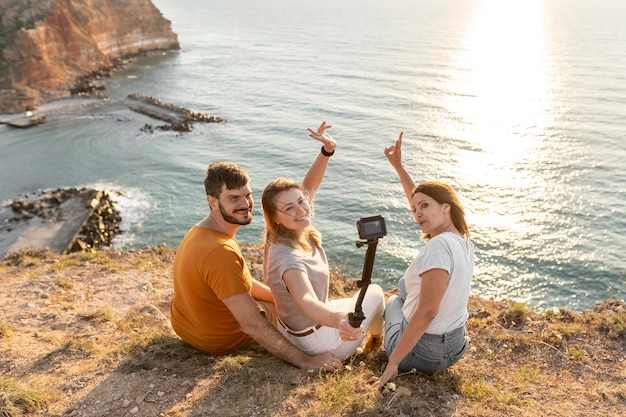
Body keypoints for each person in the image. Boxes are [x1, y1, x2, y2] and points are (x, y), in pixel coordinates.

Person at [170, 160, 342, 371]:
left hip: (187, 327)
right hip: (218, 341)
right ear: (212, 202)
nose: (245, 204)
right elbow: (251, 323)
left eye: (248, 195)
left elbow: (242, 281)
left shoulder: (201, 232)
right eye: (234, 198)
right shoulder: (220, 252)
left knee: (291, 302)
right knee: (297, 316)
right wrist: (306, 361)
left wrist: (277, 298)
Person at [261, 121, 385, 362]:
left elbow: (308, 187)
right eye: (290, 207)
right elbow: (306, 299)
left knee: (355, 301)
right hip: (321, 343)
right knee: (375, 293)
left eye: (300, 201)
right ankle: (375, 341)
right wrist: (339, 320)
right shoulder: (288, 257)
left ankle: (362, 332)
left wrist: (327, 151)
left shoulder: (283, 231)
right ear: (275, 218)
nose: (301, 209)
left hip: (299, 330)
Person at [369, 132, 474, 387]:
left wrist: (393, 363)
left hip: (425, 354)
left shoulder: (438, 246)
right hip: (456, 346)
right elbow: (421, 201)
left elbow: (427, 311)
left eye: (424, 207)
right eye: (415, 209)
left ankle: (375, 342)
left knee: (394, 300)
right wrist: (399, 168)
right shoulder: (463, 241)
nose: (417, 213)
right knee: (407, 284)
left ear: (446, 206)